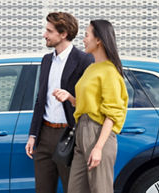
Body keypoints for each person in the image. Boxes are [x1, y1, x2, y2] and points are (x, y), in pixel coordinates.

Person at [53, 20, 128, 193]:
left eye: (87, 35)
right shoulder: (92, 68)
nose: (84, 40)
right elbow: (88, 104)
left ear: (99, 40)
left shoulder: (110, 71)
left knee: (100, 189)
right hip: (81, 131)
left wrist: (98, 148)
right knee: (75, 189)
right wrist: (70, 98)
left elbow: (113, 113)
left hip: (98, 133)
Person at [25, 12, 94, 193]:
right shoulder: (47, 60)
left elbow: (91, 102)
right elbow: (41, 100)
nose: (44, 35)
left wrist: (70, 97)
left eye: (49, 31)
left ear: (63, 34)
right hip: (44, 135)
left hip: (69, 134)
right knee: (43, 189)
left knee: (73, 189)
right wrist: (33, 135)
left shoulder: (84, 60)